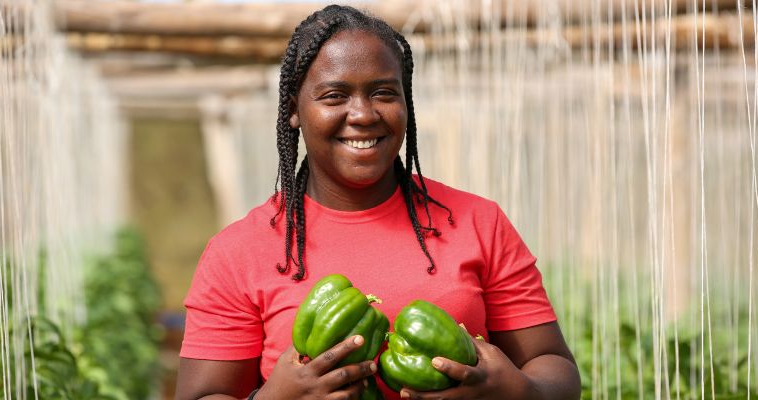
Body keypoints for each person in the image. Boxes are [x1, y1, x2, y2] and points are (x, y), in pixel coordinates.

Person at [175, 5, 580, 400]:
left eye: (383, 92)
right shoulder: (238, 251)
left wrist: (515, 391)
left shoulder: (478, 222)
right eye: (334, 95)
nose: (364, 114)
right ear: (294, 110)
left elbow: (554, 367)